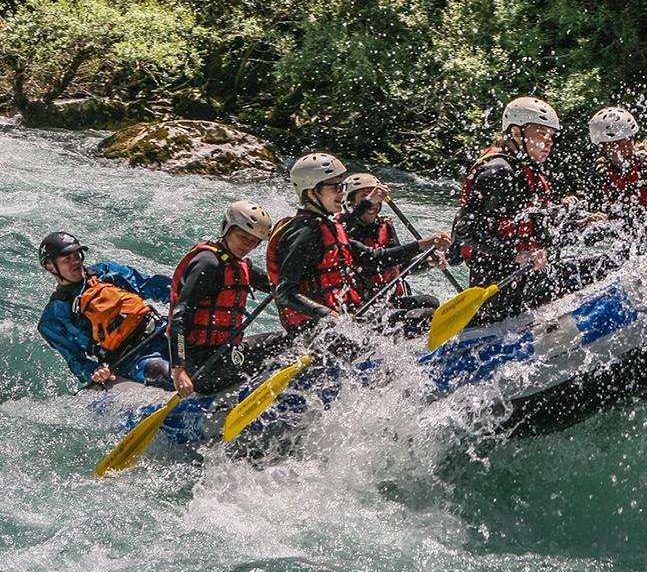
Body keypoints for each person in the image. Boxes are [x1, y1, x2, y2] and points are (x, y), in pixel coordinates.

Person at [452, 96, 614, 321]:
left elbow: (539, 230)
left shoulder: (525, 169)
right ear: (517, 133)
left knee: (606, 261)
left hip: (527, 279)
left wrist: (579, 226)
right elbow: (464, 231)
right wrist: (517, 254)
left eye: (551, 137)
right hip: (502, 287)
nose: (549, 143)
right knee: (605, 266)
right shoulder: (498, 172)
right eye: (541, 134)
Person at [266, 152, 450, 338]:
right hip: (319, 331)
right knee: (425, 317)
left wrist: (425, 245)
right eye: (335, 187)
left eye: (342, 186)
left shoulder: (329, 226)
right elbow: (285, 292)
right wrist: (327, 315)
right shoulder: (304, 232)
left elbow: (374, 258)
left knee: (428, 303)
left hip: (347, 319)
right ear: (312, 192)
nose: (341, 192)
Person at [168, 200, 286, 398]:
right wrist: (179, 370)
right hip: (202, 367)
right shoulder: (208, 264)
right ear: (226, 229)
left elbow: (277, 285)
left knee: (286, 340)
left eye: (253, 241)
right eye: (242, 237)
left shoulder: (240, 265)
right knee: (281, 348)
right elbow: (179, 318)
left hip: (225, 354)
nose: (247, 245)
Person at [37, 232, 172, 389]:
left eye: (77, 255)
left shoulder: (108, 272)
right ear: (50, 266)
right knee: (164, 374)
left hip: (162, 330)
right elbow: (75, 360)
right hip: (134, 358)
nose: (75, 261)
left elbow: (152, 285)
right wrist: (94, 371)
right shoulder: (53, 317)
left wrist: (181, 304)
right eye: (67, 259)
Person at [340, 172, 443, 331]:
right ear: (350, 202)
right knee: (424, 316)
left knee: (431, 302)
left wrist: (427, 261)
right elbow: (375, 260)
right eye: (365, 197)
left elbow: (399, 265)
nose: (373, 203)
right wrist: (421, 245)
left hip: (384, 302)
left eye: (376, 197)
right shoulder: (341, 232)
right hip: (361, 309)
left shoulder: (384, 226)